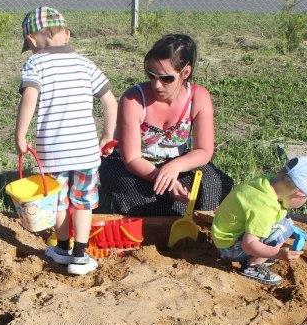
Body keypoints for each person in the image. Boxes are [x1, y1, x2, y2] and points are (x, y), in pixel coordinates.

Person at [14, 6, 118, 276]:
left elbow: (29, 99)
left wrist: (20, 134)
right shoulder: (85, 64)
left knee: (58, 202)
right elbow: (110, 101)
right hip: (85, 152)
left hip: (52, 152)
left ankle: (61, 249)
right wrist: (108, 135)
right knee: (83, 202)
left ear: (31, 40)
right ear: (67, 35)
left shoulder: (35, 64)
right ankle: (80, 255)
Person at [99, 34, 232, 216]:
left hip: (175, 162)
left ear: (185, 72)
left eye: (166, 78)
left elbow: (204, 150)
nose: (157, 85)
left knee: (213, 183)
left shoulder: (199, 97)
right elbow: (132, 159)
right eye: (151, 75)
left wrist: (174, 167)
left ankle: (199, 225)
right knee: (140, 195)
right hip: (132, 166)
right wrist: (164, 178)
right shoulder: (133, 99)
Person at [211, 156, 307, 286]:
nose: (304, 204)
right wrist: (277, 253)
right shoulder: (265, 208)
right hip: (229, 248)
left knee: (286, 224)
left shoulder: (267, 182)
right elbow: (248, 244)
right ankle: (251, 267)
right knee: (282, 230)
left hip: (223, 234)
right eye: (306, 201)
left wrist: (291, 228)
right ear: (299, 194)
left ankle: (259, 254)